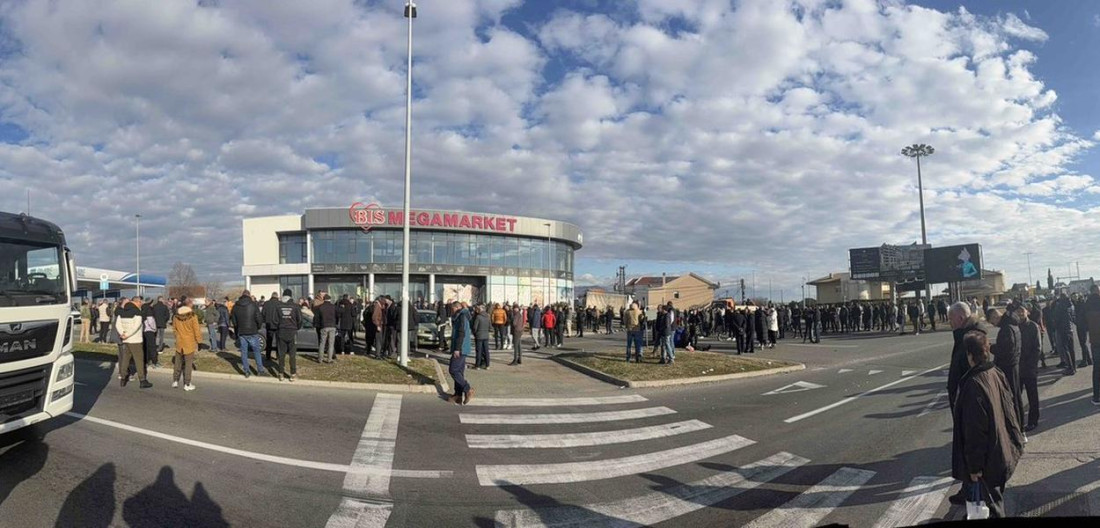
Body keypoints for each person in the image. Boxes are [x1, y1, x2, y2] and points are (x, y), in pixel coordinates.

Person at [952, 331, 1025, 518]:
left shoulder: (973, 384)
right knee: (993, 500)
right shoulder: (995, 372)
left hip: (988, 461)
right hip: (1002, 451)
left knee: (992, 506)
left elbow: (975, 431)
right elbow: (1011, 408)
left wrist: (974, 468)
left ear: (970, 355)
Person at [988, 308, 1024, 438]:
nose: (993, 325)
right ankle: (1019, 428)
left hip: (1008, 367)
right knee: (1016, 397)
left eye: (992, 322)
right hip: (1014, 365)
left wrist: (991, 347)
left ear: (995, 316)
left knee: (1012, 399)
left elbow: (1006, 350)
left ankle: (1018, 430)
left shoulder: (1006, 329)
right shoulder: (1013, 324)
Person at [114, 297, 151, 389]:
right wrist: (127, 335)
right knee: (139, 360)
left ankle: (123, 378)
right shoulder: (138, 313)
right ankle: (142, 380)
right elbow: (136, 327)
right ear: (135, 302)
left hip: (126, 340)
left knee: (125, 359)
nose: (141, 303)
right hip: (135, 340)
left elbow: (117, 324)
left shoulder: (121, 312)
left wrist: (123, 334)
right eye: (139, 302)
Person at [1016, 304, 1042, 431]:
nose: (1020, 314)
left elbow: (1037, 348)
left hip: (1029, 367)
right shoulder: (1015, 327)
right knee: (1016, 396)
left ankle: (1033, 420)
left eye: (1022, 311)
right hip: (1017, 367)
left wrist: (1032, 365)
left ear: (1027, 312)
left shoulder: (1033, 326)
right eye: (1018, 312)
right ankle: (1018, 421)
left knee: (1032, 396)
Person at [230, 290, 266, 377]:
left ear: (242, 295)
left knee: (244, 352)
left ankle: (246, 371)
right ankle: (260, 370)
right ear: (249, 295)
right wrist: (257, 327)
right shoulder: (253, 305)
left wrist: (236, 331)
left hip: (242, 332)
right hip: (252, 331)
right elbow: (259, 318)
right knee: (257, 351)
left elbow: (234, 321)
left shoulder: (235, 306)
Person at [171, 297, 202, 391]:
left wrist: (177, 336)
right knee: (188, 364)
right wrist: (199, 341)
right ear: (189, 304)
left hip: (179, 342)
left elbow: (174, 329)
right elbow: (196, 330)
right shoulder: (192, 316)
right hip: (189, 342)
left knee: (178, 362)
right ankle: (187, 383)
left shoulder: (176, 316)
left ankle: (175, 380)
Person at [448, 302, 473, 404]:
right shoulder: (461, 315)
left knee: (453, 369)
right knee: (459, 371)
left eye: (452, 309)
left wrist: (457, 349)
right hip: (462, 347)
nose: (451, 311)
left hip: (461, 347)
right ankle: (458, 395)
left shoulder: (462, 316)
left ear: (457, 307)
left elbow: (461, 333)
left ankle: (467, 389)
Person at [275, 289, 302, 382]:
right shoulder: (295, 306)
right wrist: (296, 328)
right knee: (292, 354)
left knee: (281, 354)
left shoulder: (278, 306)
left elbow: (275, 320)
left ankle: (281, 373)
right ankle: (292, 374)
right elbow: (300, 320)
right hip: (292, 332)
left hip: (281, 332)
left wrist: (280, 326)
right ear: (291, 296)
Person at [1084, 284, 1100, 406]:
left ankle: (1097, 396)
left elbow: (1080, 321)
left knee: (1097, 368)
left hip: (1095, 340)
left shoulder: (1086, 304)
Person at [315, 294, 338, 363]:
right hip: (332, 326)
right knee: (331, 343)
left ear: (323, 299)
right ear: (330, 299)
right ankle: (329, 359)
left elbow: (317, 318)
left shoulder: (320, 307)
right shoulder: (333, 307)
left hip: (324, 326)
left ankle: (320, 359)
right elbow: (338, 313)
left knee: (322, 343)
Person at [262, 290, 281, 362]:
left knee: (269, 341)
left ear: (271, 296)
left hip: (269, 325)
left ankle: (268, 356)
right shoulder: (280, 303)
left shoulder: (266, 303)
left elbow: (263, 313)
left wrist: (265, 320)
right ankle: (278, 356)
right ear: (277, 297)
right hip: (278, 325)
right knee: (278, 341)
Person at [140, 297, 158, 369]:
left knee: (145, 347)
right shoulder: (149, 309)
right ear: (150, 302)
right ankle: (154, 362)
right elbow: (150, 321)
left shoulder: (142, 308)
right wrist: (154, 329)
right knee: (152, 347)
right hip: (150, 330)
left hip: (143, 330)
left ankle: (146, 361)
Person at [472, 304, 491, 370]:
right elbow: (490, 327)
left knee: (479, 351)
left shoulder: (478, 317)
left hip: (479, 335)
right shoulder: (488, 317)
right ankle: (487, 365)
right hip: (486, 335)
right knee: (486, 351)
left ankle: (478, 365)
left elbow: (475, 327)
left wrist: (475, 333)